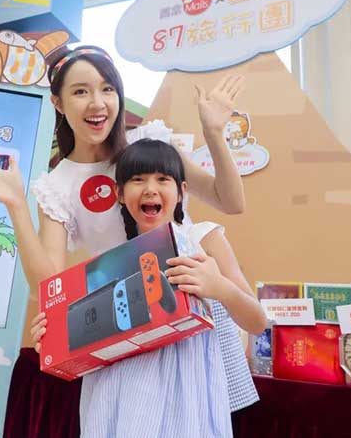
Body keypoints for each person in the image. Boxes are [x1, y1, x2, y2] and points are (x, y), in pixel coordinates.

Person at [0, 46, 251, 438]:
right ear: (58, 103)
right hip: (122, 327)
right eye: (80, 91)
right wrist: (17, 206)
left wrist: (215, 134)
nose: (97, 103)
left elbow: (229, 201)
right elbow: (48, 286)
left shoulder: (149, 144)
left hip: (184, 318)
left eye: (107, 89)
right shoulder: (58, 184)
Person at [35, 139, 267, 436]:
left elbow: (257, 321)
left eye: (162, 179)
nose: (150, 189)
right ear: (120, 193)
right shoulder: (110, 263)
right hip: (118, 391)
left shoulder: (202, 238)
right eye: (137, 179)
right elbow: (81, 335)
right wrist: (51, 334)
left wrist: (219, 287)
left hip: (186, 392)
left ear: (182, 191)